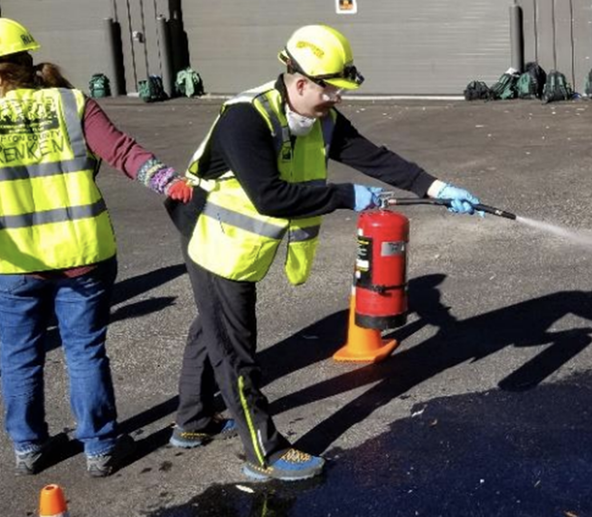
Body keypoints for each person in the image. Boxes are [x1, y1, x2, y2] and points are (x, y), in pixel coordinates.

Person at [167, 24, 482, 482]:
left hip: (239, 239)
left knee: (212, 326)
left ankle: (192, 423)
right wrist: (345, 196)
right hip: (209, 234)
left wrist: (435, 188)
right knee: (235, 344)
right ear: (300, 83)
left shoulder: (320, 118)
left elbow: (373, 156)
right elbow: (270, 197)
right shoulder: (245, 119)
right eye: (331, 91)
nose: (337, 99)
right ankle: (265, 452)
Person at [0, 17, 194, 477]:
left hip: (10, 261)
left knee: (18, 353)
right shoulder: (73, 104)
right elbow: (121, 151)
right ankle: (100, 448)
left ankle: (29, 447)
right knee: (85, 350)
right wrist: (167, 181)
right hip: (83, 257)